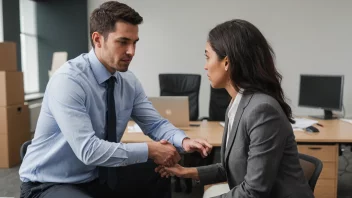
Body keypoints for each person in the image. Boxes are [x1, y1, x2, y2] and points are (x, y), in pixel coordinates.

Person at [19, 1, 212, 198]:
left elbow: (155, 124)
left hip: (96, 175)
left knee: (155, 171)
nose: (132, 51)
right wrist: (150, 150)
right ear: (98, 39)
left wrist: (184, 140)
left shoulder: (128, 81)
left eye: (135, 42)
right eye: (123, 42)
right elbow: (89, 150)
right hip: (48, 183)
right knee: (151, 158)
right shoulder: (69, 81)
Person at [156, 19, 314, 198]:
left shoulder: (262, 110)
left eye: (208, 57)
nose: (205, 66)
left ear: (226, 62)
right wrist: (185, 172)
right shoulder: (237, 103)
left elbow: (254, 191)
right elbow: (231, 167)